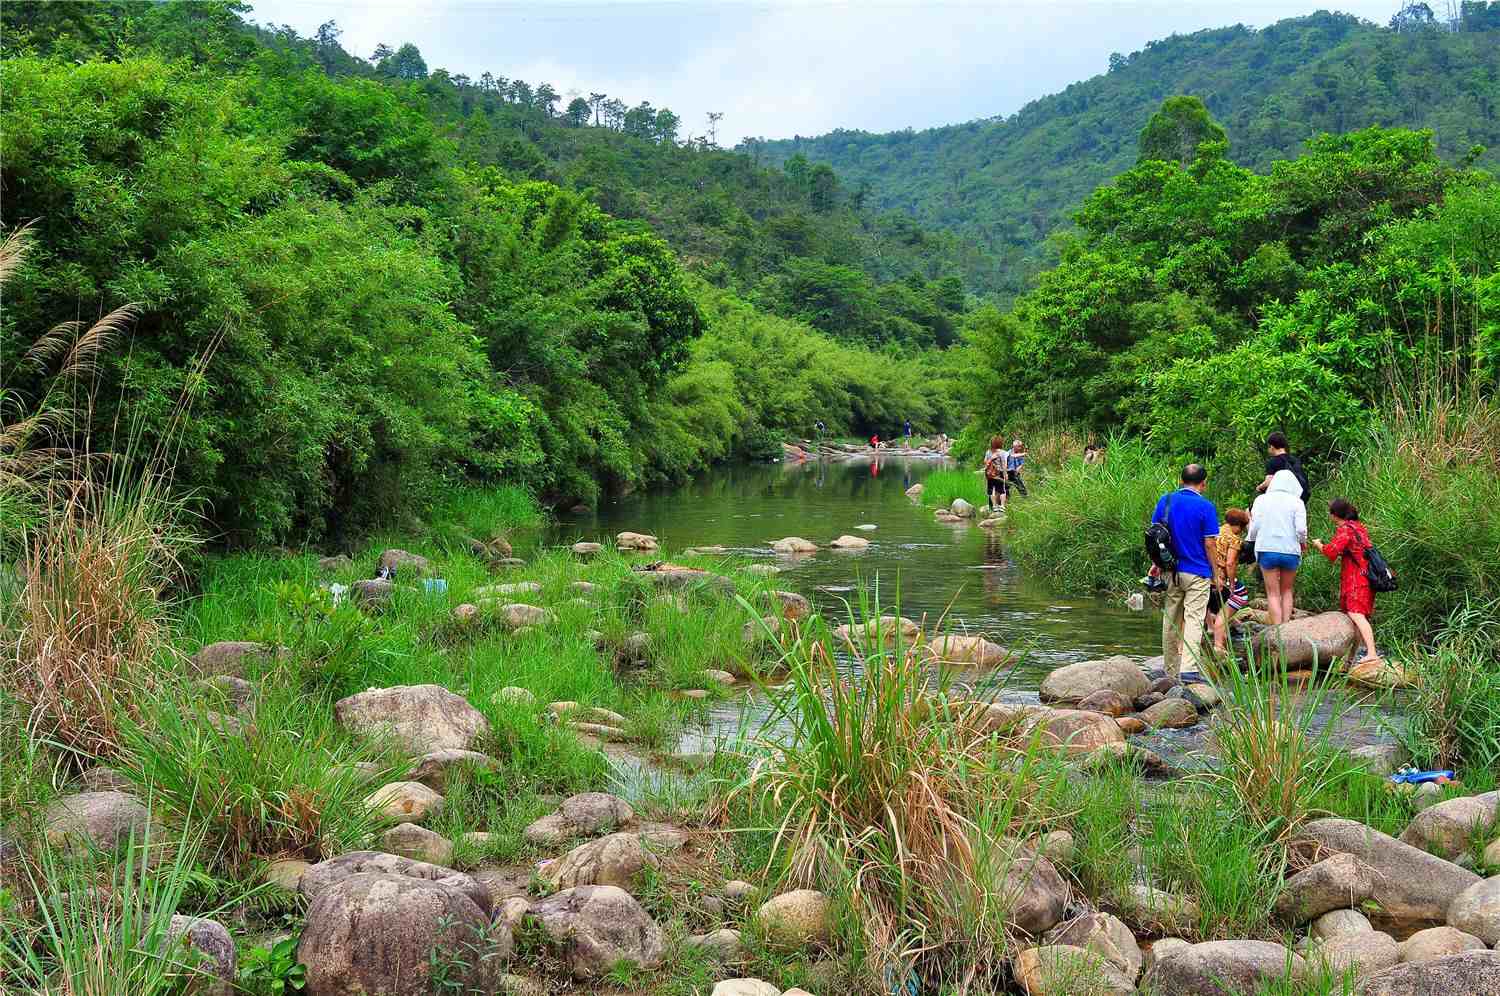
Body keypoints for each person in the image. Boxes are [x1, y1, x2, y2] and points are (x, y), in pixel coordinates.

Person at [1149, 464, 1222, 677]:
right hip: (1197, 572)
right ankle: (1189, 670)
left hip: (1171, 570)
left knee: (1171, 619)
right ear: (1203, 484)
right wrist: (1216, 574)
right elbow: (1210, 543)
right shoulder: (1206, 507)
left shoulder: (1166, 501)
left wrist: (1156, 563)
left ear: (1181, 480)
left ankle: (1170, 669)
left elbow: (1156, 536)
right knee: (1194, 619)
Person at [1311, 498, 1381, 665]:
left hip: (1356, 579)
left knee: (1356, 615)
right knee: (1357, 618)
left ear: (1335, 515)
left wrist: (1319, 544)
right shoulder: (1359, 527)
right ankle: (1351, 658)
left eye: (1330, 513)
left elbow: (1331, 552)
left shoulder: (1346, 530)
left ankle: (1372, 653)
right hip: (1367, 577)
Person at [1247, 469, 1307, 625]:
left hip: (1266, 549)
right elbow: (1301, 529)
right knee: (1287, 590)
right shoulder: (1297, 502)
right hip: (1290, 551)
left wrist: (1252, 539)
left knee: (1272, 593)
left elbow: (1254, 527)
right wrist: (1302, 542)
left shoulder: (1261, 500)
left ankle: (1276, 629)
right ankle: (1286, 627)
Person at [1208, 508, 1250, 653]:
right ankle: (1218, 646)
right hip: (1221, 579)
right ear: (1239, 525)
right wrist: (1231, 584)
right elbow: (1230, 563)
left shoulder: (1215, 532)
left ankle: (1215, 632)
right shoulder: (1234, 539)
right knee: (1239, 596)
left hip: (1207, 577)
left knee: (1217, 605)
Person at [1256, 431, 1310, 503]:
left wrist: (1259, 487)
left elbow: (1268, 482)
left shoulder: (1272, 462)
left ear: (1272, 447)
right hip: (1299, 498)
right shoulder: (1295, 460)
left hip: (1283, 500)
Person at [983, 434, 1008, 513]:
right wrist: (1005, 474)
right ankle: (1002, 506)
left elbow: (985, 462)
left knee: (991, 491)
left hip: (990, 474)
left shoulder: (988, 452)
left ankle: (994, 506)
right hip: (998, 473)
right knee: (1002, 491)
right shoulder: (1002, 452)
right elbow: (1004, 464)